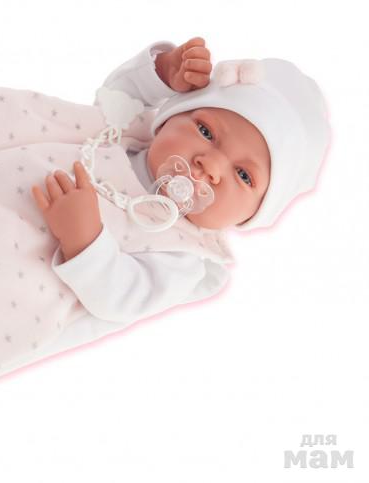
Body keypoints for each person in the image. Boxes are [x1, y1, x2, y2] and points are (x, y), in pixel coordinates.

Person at [31, 37, 331, 348]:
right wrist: (163, 73)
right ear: (167, 120)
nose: (210, 164)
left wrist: (84, 241)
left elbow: (122, 299)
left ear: (252, 215)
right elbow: (118, 97)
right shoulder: (123, 136)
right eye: (206, 131)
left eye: (243, 175)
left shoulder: (180, 256)